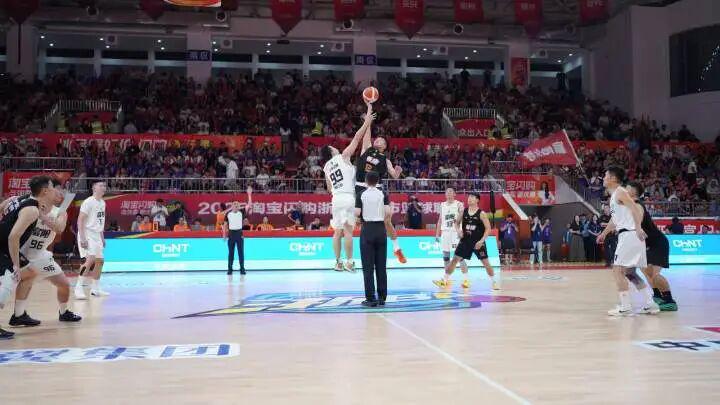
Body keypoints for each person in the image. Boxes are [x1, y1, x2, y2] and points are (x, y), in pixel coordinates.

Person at [10, 182, 82, 327]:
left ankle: (64, 312)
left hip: (40, 255)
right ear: (47, 192)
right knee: (22, 281)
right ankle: (18, 315)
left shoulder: (60, 212)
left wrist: (43, 217)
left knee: (64, 284)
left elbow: (60, 228)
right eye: (57, 190)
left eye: (62, 192)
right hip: (20, 253)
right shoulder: (30, 206)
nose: (60, 194)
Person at [0, 175, 57, 339]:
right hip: (3, 248)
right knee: (11, 279)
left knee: (30, 273)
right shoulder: (32, 210)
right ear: (45, 191)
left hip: (4, 246)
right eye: (52, 188)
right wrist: (16, 265)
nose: (54, 191)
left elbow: (1, 207)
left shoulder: (18, 198)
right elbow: (13, 237)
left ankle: (18, 316)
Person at [597, 166, 657, 316]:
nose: (603, 178)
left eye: (605, 175)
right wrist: (604, 233)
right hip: (629, 235)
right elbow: (615, 220)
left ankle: (625, 307)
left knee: (617, 270)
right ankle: (650, 303)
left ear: (613, 178)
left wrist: (638, 228)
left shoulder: (620, 192)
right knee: (630, 273)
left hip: (630, 235)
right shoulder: (615, 196)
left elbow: (635, 209)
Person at [321, 102, 374, 272]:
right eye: (333, 147)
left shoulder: (326, 168)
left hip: (336, 199)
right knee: (349, 232)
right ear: (332, 152)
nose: (335, 147)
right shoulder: (343, 156)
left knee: (337, 232)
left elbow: (329, 189)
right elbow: (357, 138)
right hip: (348, 197)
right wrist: (367, 121)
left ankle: (338, 262)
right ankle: (350, 262)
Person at [355, 114, 406, 264]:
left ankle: (397, 249)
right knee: (361, 221)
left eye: (381, 140)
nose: (378, 140)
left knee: (387, 219)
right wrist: (368, 121)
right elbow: (366, 135)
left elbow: (394, 176)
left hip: (377, 189)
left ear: (384, 146)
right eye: (376, 139)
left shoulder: (386, 160)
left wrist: (397, 172)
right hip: (361, 187)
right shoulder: (366, 149)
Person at [626, 181, 677, 311]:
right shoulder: (631, 205)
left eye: (627, 188)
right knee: (645, 271)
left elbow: (638, 221)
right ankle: (658, 296)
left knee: (655, 275)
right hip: (648, 244)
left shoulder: (638, 205)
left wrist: (636, 228)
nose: (625, 190)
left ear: (634, 191)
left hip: (658, 243)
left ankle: (669, 301)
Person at [433, 192, 499, 291]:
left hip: (477, 242)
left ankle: (494, 282)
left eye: (472, 197)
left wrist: (481, 241)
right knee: (455, 259)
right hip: (465, 241)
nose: (469, 199)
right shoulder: (464, 211)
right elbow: (456, 223)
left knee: (486, 263)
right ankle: (444, 280)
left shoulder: (481, 214)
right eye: (469, 197)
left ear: (477, 200)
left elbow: (488, 229)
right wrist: (458, 231)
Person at [354, 171, 395, 307]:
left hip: (367, 229)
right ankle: (382, 297)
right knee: (381, 266)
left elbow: (357, 213)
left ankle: (371, 298)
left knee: (368, 267)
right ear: (377, 181)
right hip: (380, 229)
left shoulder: (361, 194)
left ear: (366, 181)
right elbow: (388, 212)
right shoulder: (383, 194)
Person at [75, 181, 109, 300]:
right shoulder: (88, 202)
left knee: (100, 261)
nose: (103, 187)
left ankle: (95, 289)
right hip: (87, 233)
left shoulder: (103, 203)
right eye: (101, 185)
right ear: (94, 188)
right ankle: (78, 288)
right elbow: (80, 220)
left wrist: (102, 237)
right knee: (90, 260)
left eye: (104, 186)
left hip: (97, 235)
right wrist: (83, 238)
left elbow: (100, 222)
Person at [435, 187, 465, 279]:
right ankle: (446, 279)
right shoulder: (442, 205)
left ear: (454, 194)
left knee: (460, 257)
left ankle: (466, 279)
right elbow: (440, 220)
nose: (448, 193)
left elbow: (463, 218)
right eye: (447, 192)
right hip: (445, 233)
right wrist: (437, 234)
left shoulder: (459, 204)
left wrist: (461, 231)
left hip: (455, 233)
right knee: (446, 257)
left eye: (451, 191)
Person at [222, 187, 253, 275]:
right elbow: (225, 225)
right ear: (232, 206)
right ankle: (230, 269)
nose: (236, 205)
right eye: (234, 204)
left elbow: (249, 204)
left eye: (237, 204)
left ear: (239, 206)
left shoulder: (241, 212)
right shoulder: (228, 214)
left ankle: (242, 269)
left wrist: (249, 194)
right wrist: (224, 235)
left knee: (241, 252)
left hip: (239, 234)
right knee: (231, 253)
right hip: (231, 234)